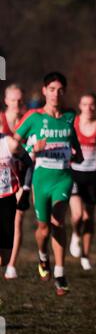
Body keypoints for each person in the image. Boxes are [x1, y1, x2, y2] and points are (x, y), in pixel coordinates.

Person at [15, 72, 83, 296]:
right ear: (44, 91)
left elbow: (74, 143)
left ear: (64, 92)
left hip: (63, 178)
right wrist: (32, 150)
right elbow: (15, 146)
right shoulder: (33, 117)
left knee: (58, 222)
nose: (56, 94)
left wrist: (77, 155)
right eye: (51, 89)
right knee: (43, 228)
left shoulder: (70, 116)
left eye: (60, 89)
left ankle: (60, 273)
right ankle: (43, 256)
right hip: (41, 179)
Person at [69, 93, 96, 270]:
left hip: (92, 175)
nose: (89, 108)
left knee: (89, 217)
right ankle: (75, 234)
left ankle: (86, 256)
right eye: (85, 104)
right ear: (80, 105)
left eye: (92, 105)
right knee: (78, 215)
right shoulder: (73, 123)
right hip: (73, 173)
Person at [0, 84, 30, 279]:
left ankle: (11, 264)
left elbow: (29, 156)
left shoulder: (30, 120)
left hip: (21, 177)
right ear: (6, 101)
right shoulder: (1, 120)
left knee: (18, 220)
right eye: (13, 100)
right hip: (7, 174)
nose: (17, 103)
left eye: (20, 100)